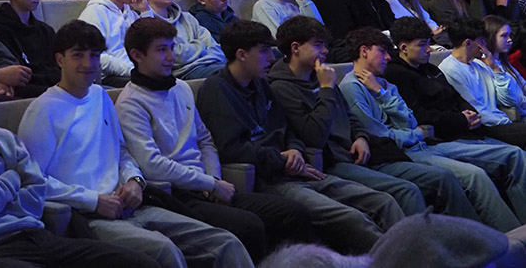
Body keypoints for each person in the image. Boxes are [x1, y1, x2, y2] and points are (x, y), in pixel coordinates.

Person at [18, 20, 255, 268]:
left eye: (95, 55)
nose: (88, 64)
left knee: (226, 242)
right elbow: (33, 180)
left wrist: (134, 180)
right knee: (163, 251)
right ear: (60, 60)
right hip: (88, 215)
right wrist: (93, 200)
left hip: (130, 204)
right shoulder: (43, 110)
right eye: (78, 55)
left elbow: (121, 151)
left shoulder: (100, 96)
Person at [0, 51, 159, 268]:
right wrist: (12, 178)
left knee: (138, 263)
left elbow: (36, 194)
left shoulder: (1, 138)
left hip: (37, 235)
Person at [116, 18, 317, 261]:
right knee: (249, 226)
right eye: (161, 50)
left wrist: (214, 179)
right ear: (137, 55)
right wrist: (209, 183)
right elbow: (151, 164)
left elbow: (205, 140)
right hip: (174, 192)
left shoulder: (180, 87)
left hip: (206, 185)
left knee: (293, 213)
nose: (171, 56)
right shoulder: (131, 102)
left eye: (172, 47)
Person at [196, 20, 404, 254]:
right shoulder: (216, 90)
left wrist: (295, 148)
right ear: (242, 54)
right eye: (263, 51)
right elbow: (232, 149)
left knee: (383, 202)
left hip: (297, 168)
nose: (271, 58)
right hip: (268, 179)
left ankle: (413, 256)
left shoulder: (260, 84)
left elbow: (285, 127)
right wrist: (283, 159)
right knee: (353, 217)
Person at [268, 16, 476, 220]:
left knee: (464, 173)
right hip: (333, 161)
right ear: (295, 48)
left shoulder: (323, 78)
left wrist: (360, 136)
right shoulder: (288, 87)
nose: (325, 51)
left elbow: (351, 117)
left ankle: (469, 236)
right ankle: (428, 242)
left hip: (361, 152)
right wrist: (326, 89)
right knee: (412, 189)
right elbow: (314, 136)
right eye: (318, 45)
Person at [340, 25, 526, 231]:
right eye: (382, 52)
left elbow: (409, 120)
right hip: (403, 152)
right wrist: (416, 133)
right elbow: (378, 135)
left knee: (513, 155)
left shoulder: (383, 83)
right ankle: (499, 241)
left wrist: (382, 93)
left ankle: (518, 233)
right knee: (474, 176)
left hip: (424, 144)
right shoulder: (352, 87)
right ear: (364, 51)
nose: (387, 57)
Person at [437, 17, 526, 148]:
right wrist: (503, 121)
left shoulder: (481, 65)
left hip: (501, 122)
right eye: (481, 41)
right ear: (468, 43)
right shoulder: (450, 69)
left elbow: (510, 100)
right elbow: (474, 110)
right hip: (485, 127)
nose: (484, 45)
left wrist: (495, 68)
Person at [134, 0, 226, 79]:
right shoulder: (143, 24)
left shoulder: (187, 17)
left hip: (211, 66)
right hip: (184, 74)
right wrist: (201, 45)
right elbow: (175, 57)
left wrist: (197, 54)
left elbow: (215, 47)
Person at [78, 0, 154, 85]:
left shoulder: (130, 12)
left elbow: (151, 42)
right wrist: (131, 70)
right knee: (152, 84)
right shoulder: (94, 13)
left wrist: (145, 11)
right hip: (110, 76)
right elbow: (97, 56)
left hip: (135, 71)